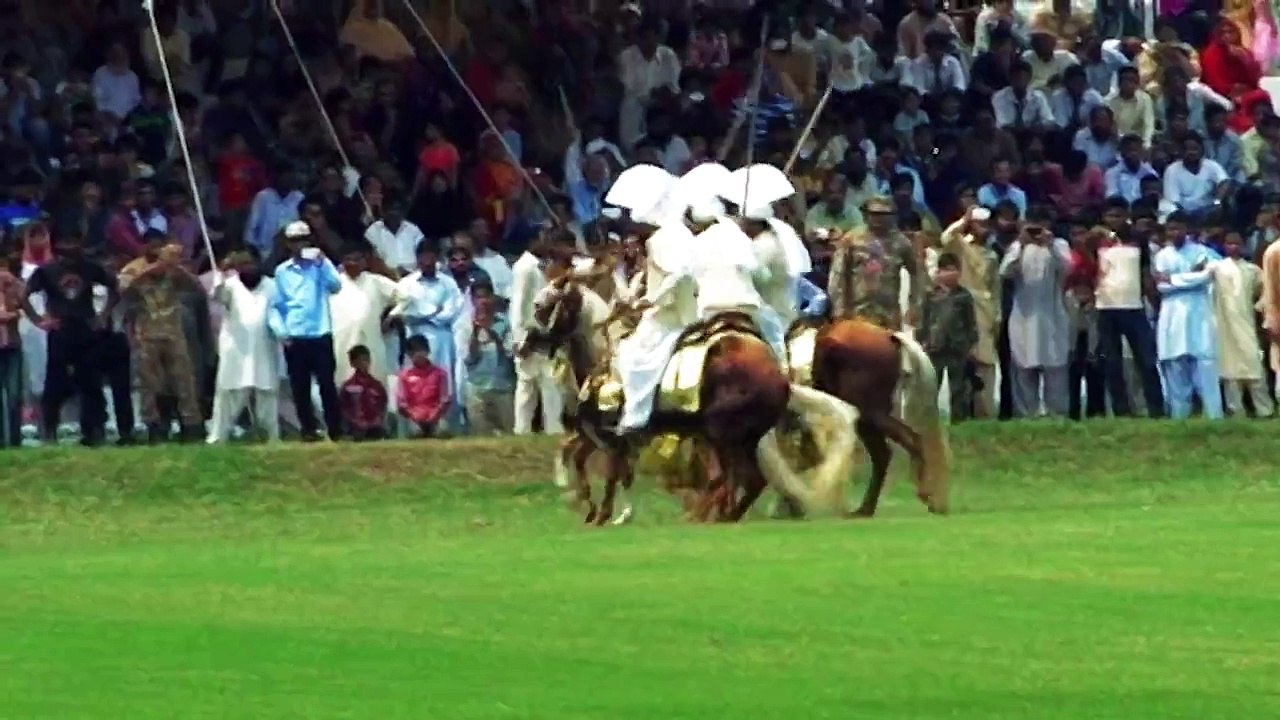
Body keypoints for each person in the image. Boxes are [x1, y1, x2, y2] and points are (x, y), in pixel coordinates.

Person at [21, 234, 118, 446]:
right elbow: (24, 296)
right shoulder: (46, 270)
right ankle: (49, 430)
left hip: (85, 327)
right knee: (55, 382)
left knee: (91, 381)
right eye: (67, 244)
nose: (71, 248)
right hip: (61, 328)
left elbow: (114, 287)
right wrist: (39, 320)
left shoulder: (90, 268)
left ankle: (94, 429)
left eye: (74, 244)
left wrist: (102, 316)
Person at [612, 194, 697, 434]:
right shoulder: (682, 233)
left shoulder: (659, 239)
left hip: (667, 316)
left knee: (630, 356)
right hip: (691, 311)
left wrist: (651, 299)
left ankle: (635, 416)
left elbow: (678, 273)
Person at [268, 221, 344, 441]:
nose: (299, 244)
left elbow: (336, 286)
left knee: (327, 385)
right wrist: (282, 334)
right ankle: (308, 430)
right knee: (299, 387)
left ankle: (335, 429)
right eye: (294, 241)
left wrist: (323, 262)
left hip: (320, 332)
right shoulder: (282, 271)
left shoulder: (320, 266)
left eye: (302, 239)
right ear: (288, 244)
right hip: (295, 335)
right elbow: (277, 305)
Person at [122, 241, 204, 442]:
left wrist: (177, 268)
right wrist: (154, 268)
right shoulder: (133, 268)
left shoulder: (175, 271)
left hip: (173, 333)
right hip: (146, 335)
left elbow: (197, 288)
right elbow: (125, 290)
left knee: (184, 381)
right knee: (150, 385)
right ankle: (154, 426)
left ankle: (190, 425)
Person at [999, 214, 1072, 418]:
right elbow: (1005, 272)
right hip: (1023, 315)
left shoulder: (1059, 245)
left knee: (1055, 366)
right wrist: (1020, 245)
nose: (1037, 233)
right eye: (1033, 228)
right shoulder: (1018, 246)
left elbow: (1068, 268)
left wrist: (1050, 246)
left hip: (1053, 314)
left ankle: (1057, 414)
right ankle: (1026, 414)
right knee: (1023, 366)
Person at [1154, 213, 1224, 419]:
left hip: (1199, 314)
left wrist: (1173, 278)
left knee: (1206, 369)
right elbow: (1161, 287)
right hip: (1172, 317)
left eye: (1178, 228)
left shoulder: (1203, 252)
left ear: (1187, 229)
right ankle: (1180, 420)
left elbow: (1210, 275)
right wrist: (1194, 277)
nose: (1174, 233)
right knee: (1175, 370)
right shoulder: (1162, 255)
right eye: (1170, 229)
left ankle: (1215, 418)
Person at [207, 252, 280, 444]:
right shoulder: (230, 285)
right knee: (228, 392)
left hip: (264, 347)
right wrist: (221, 274)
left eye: (251, 262)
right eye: (243, 264)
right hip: (235, 349)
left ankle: (271, 437)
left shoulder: (271, 286)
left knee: (267, 393)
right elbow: (217, 296)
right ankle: (218, 437)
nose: (248, 267)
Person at [390, 241, 464, 430]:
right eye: (423, 257)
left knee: (443, 380)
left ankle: (445, 426)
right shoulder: (407, 283)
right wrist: (431, 312)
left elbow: (451, 311)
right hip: (415, 338)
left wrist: (423, 314)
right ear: (417, 259)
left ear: (438, 259)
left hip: (441, 338)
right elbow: (404, 313)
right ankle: (414, 426)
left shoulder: (448, 283)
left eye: (431, 257)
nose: (427, 261)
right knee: (412, 384)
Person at [509, 229, 573, 435]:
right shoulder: (525, 267)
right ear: (533, 241)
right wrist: (519, 338)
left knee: (549, 381)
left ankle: (552, 427)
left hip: (544, 328)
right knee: (528, 383)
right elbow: (518, 304)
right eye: (542, 238)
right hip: (529, 330)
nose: (546, 242)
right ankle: (522, 428)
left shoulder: (543, 265)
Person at [940, 207, 1002, 417]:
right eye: (978, 223)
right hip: (959, 309)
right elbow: (945, 237)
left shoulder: (992, 253)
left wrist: (997, 316)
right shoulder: (961, 246)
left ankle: (985, 413)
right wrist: (963, 221)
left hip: (984, 312)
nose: (982, 228)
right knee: (960, 363)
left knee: (985, 363)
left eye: (985, 224)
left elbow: (995, 289)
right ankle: (959, 413)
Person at [829, 196, 923, 330]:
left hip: (888, 315)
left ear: (893, 216)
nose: (879, 218)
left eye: (884, 214)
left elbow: (917, 275)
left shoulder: (901, 242)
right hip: (856, 312)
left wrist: (914, 306)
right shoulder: (851, 239)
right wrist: (839, 309)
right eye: (874, 214)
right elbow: (838, 275)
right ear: (866, 215)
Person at [1210, 231, 1274, 416]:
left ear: (1243, 245)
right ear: (1224, 246)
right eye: (1229, 243)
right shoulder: (1216, 267)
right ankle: (1236, 411)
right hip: (1224, 324)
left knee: (1254, 365)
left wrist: (1261, 306)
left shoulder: (1252, 270)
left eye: (1237, 243)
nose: (1233, 247)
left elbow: (1267, 289)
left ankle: (1264, 410)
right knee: (1230, 371)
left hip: (1246, 321)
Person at [918, 252, 978, 420]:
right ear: (938, 271)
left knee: (958, 388)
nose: (949, 274)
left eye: (953, 270)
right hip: (934, 346)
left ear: (959, 272)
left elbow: (970, 322)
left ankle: (958, 420)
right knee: (931, 387)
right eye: (945, 270)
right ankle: (929, 421)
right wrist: (921, 340)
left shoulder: (964, 295)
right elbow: (924, 319)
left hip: (957, 347)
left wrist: (972, 344)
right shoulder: (931, 294)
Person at [463, 295, 515, 435]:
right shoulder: (466, 326)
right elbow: (469, 359)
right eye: (480, 308)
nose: (484, 311)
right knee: (480, 433)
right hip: (477, 386)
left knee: (508, 431)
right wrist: (475, 334)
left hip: (502, 385)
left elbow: (510, 353)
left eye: (487, 308)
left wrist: (493, 334)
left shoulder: (505, 324)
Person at [396, 334, 449, 437]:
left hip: (435, 416)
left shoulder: (440, 373)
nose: (419, 354)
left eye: (422, 350)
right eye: (415, 351)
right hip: (414, 418)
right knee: (415, 432)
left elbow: (444, 399)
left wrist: (434, 414)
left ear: (428, 351)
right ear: (409, 354)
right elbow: (402, 403)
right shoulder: (404, 376)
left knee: (443, 430)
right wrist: (413, 415)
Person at [340, 344, 389, 440]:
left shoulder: (376, 385)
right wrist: (356, 422)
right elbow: (344, 408)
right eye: (360, 360)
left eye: (366, 359)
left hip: (374, 426)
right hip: (356, 427)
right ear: (353, 363)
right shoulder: (348, 386)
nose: (364, 363)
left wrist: (377, 419)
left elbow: (382, 405)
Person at [0, 255, 21, 448]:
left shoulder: (12, 284)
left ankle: (15, 439)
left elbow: (23, 306)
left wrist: (12, 314)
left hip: (12, 344)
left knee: (14, 393)